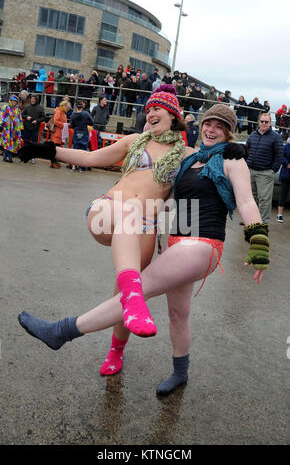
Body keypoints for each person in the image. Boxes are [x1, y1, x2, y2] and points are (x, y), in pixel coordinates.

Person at [18, 104, 269, 397]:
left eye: (220, 127)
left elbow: (247, 202)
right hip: (179, 243)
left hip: (202, 244)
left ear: (229, 132)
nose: (212, 130)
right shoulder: (192, 158)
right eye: (208, 124)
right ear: (200, 126)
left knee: (137, 288)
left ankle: (62, 331)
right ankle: (180, 372)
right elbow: (170, 202)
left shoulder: (231, 158)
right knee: (178, 314)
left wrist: (259, 244)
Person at [17, 85, 190, 346]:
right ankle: (133, 299)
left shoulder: (186, 155)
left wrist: (230, 154)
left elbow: (207, 176)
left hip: (145, 226)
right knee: (130, 211)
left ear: (173, 115)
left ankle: (116, 351)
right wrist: (50, 151)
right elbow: (91, 157)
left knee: (123, 297)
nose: (151, 113)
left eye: (157, 109)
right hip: (109, 209)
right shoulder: (135, 141)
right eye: (149, 109)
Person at [246, 112, 283, 223]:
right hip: (251, 171)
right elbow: (246, 150)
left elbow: (279, 155)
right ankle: (251, 219)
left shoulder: (276, 137)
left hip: (265, 173)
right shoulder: (253, 135)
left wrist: (273, 170)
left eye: (266, 122)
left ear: (270, 123)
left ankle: (263, 223)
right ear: (259, 122)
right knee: (251, 198)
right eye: (262, 121)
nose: (264, 123)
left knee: (264, 200)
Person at [69, 100, 93, 172]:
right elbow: (92, 122)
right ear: (82, 107)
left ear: (76, 107)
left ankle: (73, 166)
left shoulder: (73, 114)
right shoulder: (86, 114)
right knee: (83, 150)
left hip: (76, 132)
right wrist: (86, 123)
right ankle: (80, 167)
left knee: (75, 149)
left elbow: (72, 125)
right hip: (84, 132)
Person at [22, 95, 45, 164]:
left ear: (36, 100)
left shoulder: (40, 108)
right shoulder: (27, 107)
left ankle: (33, 157)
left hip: (35, 128)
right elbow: (22, 114)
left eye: (34, 99)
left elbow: (43, 117)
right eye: (31, 99)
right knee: (26, 142)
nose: (32, 100)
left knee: (34, 143)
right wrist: (26, 117)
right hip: (27, 127)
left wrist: (37, 121)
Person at [0, 95, 23, 162]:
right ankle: (6, 157)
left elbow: (19, 119)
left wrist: (20, 127)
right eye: (13, 101)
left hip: (14, 130)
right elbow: (2, 116)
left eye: (15, 102)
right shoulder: (5, 107)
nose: (14, 103)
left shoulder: (17, 110)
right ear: (10, 101)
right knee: (7, 143)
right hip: (7, 129)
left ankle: (9, 157)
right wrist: (1, 124)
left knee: (12, 143)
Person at [49, 100, 71, 168]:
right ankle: (53, 163)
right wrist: (64, 125)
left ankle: (54, 162)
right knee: (55, 149)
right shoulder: (59, 111)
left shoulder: (62, 112)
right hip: (57, 133)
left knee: (56, 148)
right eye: (67, 107)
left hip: (59, 133)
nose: (68, 109)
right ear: (64, 105)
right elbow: (56, 121)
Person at [276, 138, 290, 222]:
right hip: (286, 174)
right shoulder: (286, 146)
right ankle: (279, 215)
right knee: (283, 195)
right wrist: (287, 163)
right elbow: (281, 156)